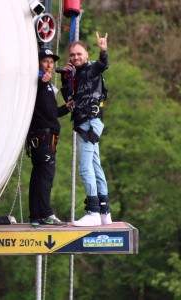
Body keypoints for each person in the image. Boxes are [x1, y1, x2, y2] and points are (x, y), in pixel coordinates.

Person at [60, 32, 112, 226]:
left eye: (79, 54)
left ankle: (93, 211)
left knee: (84, 167)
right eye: (72, 55)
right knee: (95, 166)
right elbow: (70, 100)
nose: (75, 58)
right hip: (87, 121)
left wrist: (103, 50)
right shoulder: (76, 74)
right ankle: (104, 211)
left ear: (86, 54)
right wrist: (66, 79)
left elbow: (102, 65)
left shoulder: (90, 69)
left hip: (89, 123)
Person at [27, 48, 73, 227]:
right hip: (44, 137)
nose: (49, 65)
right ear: (38, 63)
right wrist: (40, 81)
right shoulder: (38, 80)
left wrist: (65, 108)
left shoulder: (43, 83)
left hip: (40, 136)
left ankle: (35, 215)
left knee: (38, 177)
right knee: (45, 177)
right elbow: (47, 111)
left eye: (51, 62)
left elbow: (50, 113)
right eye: (45, 61)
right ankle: (45, 214)